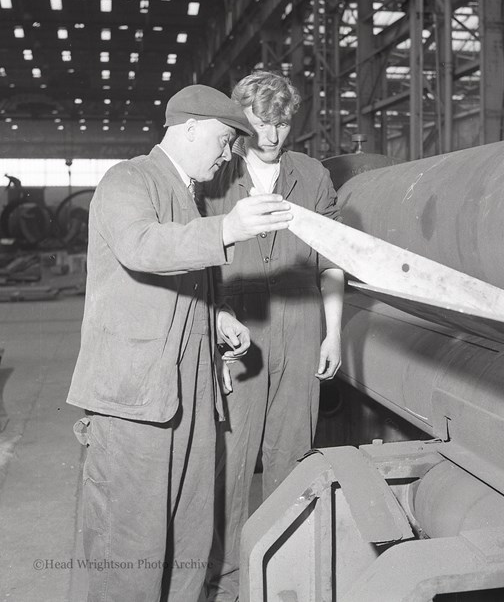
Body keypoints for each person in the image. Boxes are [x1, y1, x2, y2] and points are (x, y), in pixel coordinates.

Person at [66, 84, 293, 602]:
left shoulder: (188, 195)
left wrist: (217, 316)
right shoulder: (128, 180)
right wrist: (229, 228)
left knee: (190, 536)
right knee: (130, 546)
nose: (228, 153)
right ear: (188, 129)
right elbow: (141, 247)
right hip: (135, 400)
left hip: (191, 396)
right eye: (222, 139)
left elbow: (179, 281)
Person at [202, 71, 345, 602]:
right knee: (233, 461)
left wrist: (334, 334)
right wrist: (212, 329)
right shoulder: (217, 174)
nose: (273, 134)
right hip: (238, 328)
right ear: (243, 120)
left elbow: (331, 259)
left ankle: (282, 575)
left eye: (283, 123)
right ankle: (231, 581)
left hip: (303, 323)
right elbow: (199, 262)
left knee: (291, 454)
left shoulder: (311, 175)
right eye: (262, 122)